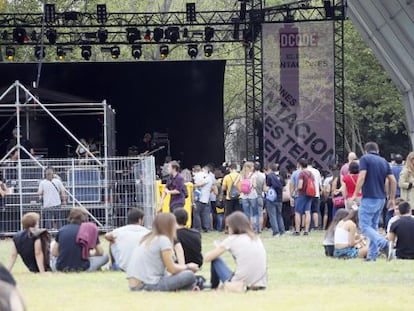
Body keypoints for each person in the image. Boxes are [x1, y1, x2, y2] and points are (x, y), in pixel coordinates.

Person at [126, 213, 198, 291]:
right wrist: (188, 267)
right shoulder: (163, 240)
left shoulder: (147, 238)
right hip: (148, 285)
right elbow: (171, 269)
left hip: (135, 284)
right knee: (189, 275)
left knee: (181, 275)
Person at [351, 142, 396, 261]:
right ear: (377, 150)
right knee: (373, 227)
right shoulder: (384, 161)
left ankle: (385, 244)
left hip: (369, 197)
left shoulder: (365, 159)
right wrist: (391, 198)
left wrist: (355, 194)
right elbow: (393, 181)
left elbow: (362, 176)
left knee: (364, 226)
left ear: (366, 151)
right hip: (381, 198)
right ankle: (372, 255)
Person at [204, 212, 267, 290]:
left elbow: (207, 258)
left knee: (216, 259)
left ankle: (214, 286)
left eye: (228, 227)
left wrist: (217, 248)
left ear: (233, 227)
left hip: (240, 283)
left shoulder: (232, 239)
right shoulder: (256, 238)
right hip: (260, 282)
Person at [52, 207, 109, 272]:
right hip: (84, 267)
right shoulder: (89, 230)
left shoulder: (62, 230)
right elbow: (100, 252)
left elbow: (55, 253)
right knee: (105, 257)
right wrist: (91, 255)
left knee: (51, 259)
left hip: (61, 267)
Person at [294, 158, 314, 236]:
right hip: (310, 194)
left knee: (298, 212)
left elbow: (300, 185)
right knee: (307, 212)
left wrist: (296, 190)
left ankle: (297, 230)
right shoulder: (310, 173)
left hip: (302, 194)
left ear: (300, 164)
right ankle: (306, 230)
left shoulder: (301, 173)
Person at [265, 163, 285, 237]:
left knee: (272, 215)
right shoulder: (281, 177)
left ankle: (276, 232)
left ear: (270, 169)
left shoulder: (270, 176)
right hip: (279, 198)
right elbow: (284, 187)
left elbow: (267, 187)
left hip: (271, 198)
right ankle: (282, 231)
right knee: (279, 215)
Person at [239, 162, 259, 233]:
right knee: (255, 213)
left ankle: (247, 229)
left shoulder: (241, 175)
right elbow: (255, 185)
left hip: (244, 196)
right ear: (250, 167)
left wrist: (240, 190)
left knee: (246, 213)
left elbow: (236, 184)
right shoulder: (254, 175)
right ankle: (255, 229)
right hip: (253, 195)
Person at [221, 163, 242, 231]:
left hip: (229, 198)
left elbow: (223, 188)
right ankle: (238, 228)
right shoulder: (240, 176)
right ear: (236, 168)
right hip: (239, 197)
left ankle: (227, 228)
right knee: (238, 213)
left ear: (230, 169)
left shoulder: (227, 177)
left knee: (228, 214)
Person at [193, 165, 213, 232]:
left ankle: (198, 228)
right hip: (206, 198)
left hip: (200, 197)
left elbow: (200, 184)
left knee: (196, 212)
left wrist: (193, 186)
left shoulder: (206, 177)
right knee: (206, 213)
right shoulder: (209, 177)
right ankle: (206, 227)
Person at [308, 160, 322, 230]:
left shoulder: (305, 171)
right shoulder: (317, 171)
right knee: (315, 211)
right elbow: (320, 184)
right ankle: (316, 226)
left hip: (308, 194)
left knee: (307, 211)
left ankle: (307, 226)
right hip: (316, 194)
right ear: (312, 164)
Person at [254, 162, 266, 232]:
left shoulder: (251, 175)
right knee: (260, 214)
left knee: (253, 214)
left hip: (252, 197)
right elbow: (264, 189)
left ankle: (254, 228)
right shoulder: (263, 175)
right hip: (260, 196)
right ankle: (260, 229)